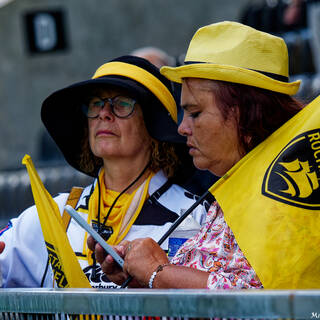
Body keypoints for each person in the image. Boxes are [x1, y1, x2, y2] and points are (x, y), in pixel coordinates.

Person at [91, 21, 304, 289]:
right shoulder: (235, 189)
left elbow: (255, 297)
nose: (182, 128)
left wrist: (159, 272)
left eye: (195, 113)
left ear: (245, 116)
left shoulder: (286, 196)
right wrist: (140, 274)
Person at [0, 55, 208, 288]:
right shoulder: (54, 215)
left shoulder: (196, 216)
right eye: (96, 104)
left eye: (122, 104)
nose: (104, 113)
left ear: (153, 125)